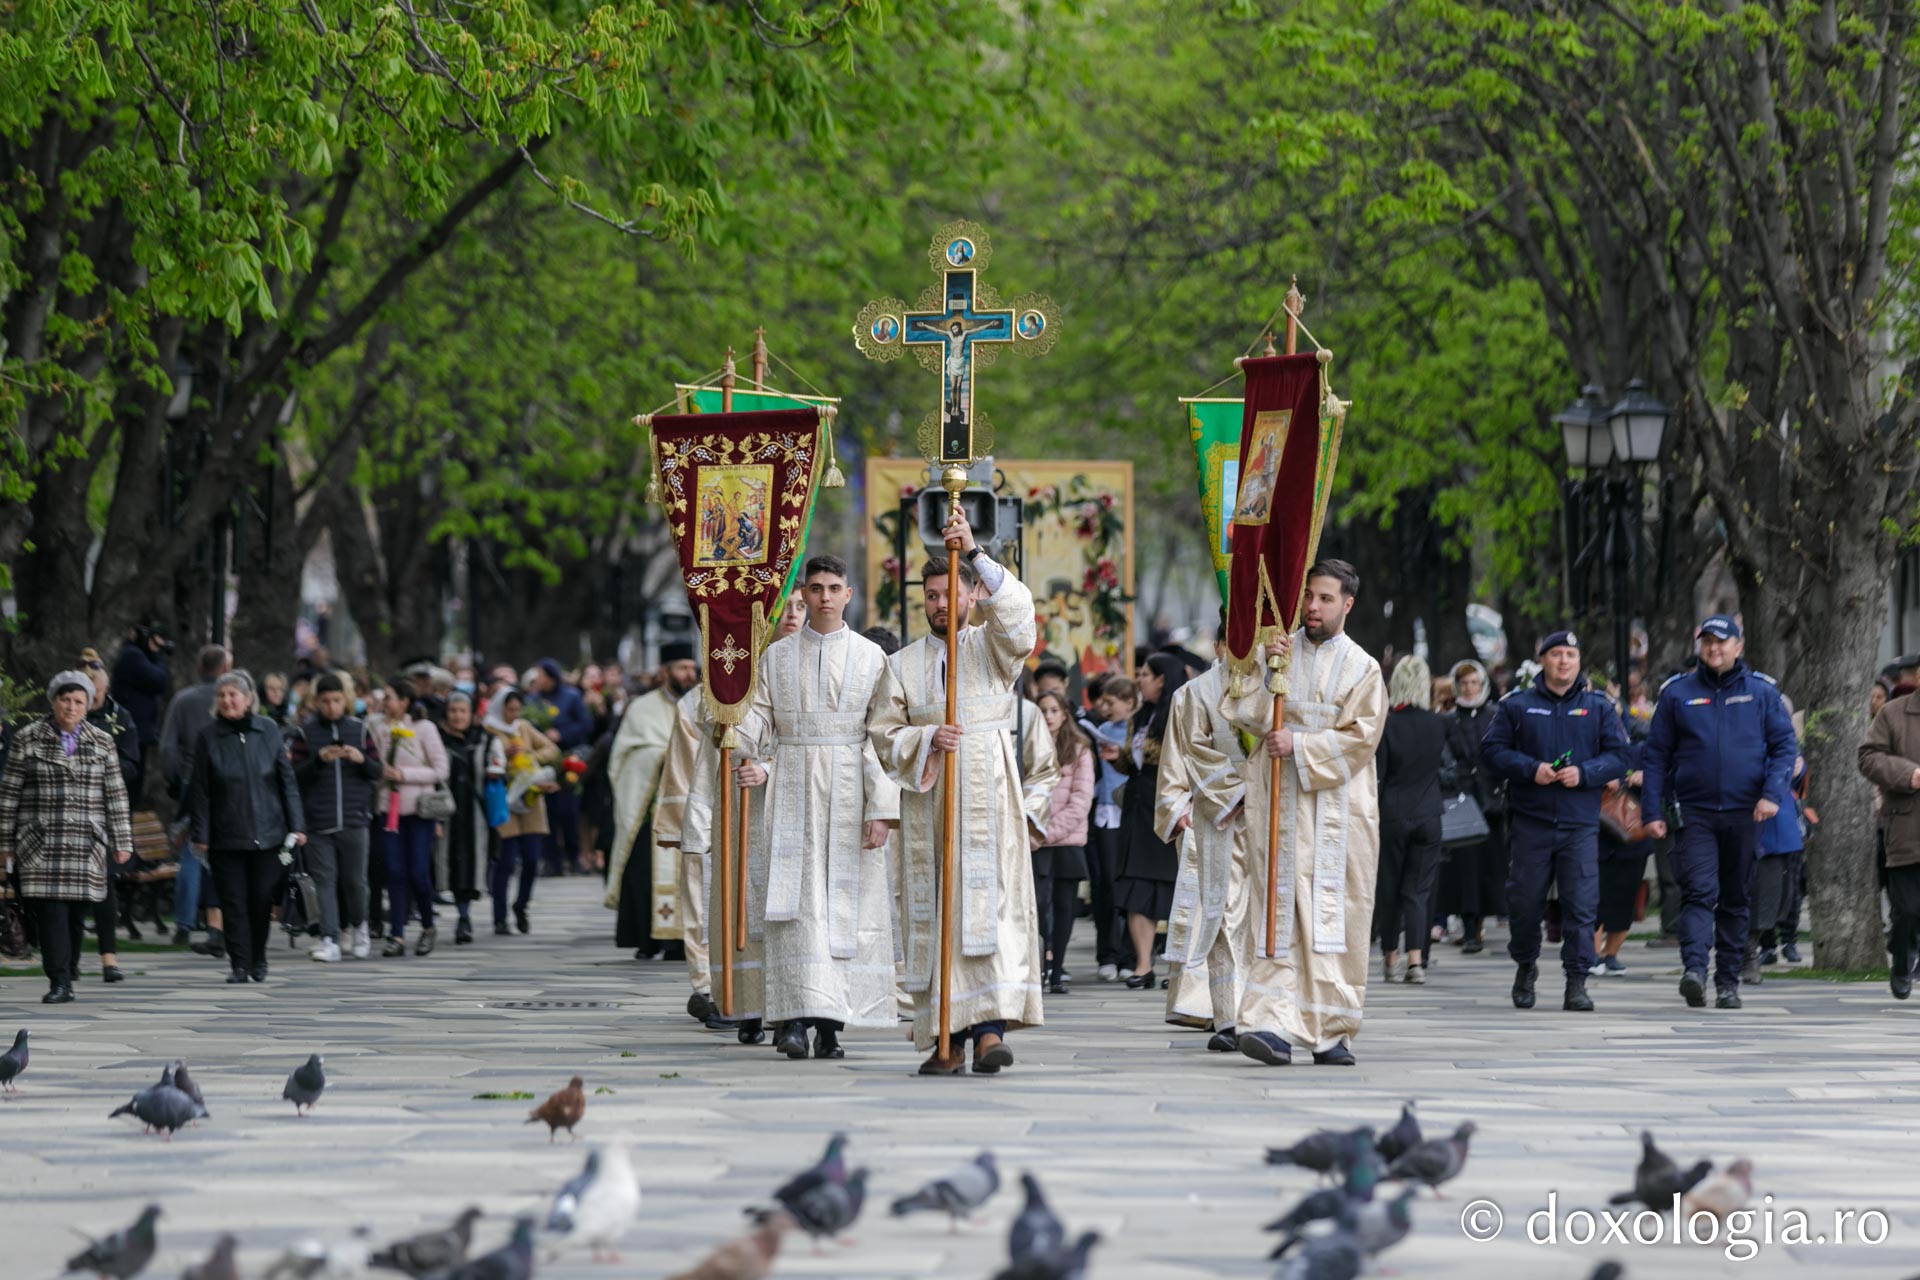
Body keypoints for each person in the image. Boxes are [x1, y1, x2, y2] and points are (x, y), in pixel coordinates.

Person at [870, 502, 1044, 1076]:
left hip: (987, 795)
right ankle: (945, 1038)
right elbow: (883, 732)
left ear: (972, 596)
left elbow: (1020, 620)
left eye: (951, 593)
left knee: (988, 907)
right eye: (931, 596)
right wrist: (924, 739)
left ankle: (990, 1032)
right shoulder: (901, 664)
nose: (941, 604)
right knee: (937, 911)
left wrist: (972, 551)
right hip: (930, 803)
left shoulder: (993, 650)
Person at [731, 555, 901, 1060]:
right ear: (803, 594)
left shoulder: (873, 657)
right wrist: (731, 717)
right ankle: (792, 1021)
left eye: (833, 588)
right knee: (797, 905)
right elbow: (758, 722)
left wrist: (881, 808)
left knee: (841, 910)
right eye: (816, 588)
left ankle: (831, 1026)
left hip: (850, 790)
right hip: (791, 788)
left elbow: (882, 736)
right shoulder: (776, 657)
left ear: (849, 594)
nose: (824, 597)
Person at [1221, 560, 1388, 1067]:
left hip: (1338, 810)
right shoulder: (1279, 652)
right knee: (1277, 910)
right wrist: (1263, 673)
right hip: (1280, 803)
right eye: (1309, 596)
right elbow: (1243, 712)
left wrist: (1299, 744)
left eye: (1326, 599)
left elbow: (1363, 737)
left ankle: (1330, 1030)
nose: (1313, 607)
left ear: (1347, 604)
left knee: (1333, 915)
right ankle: (1269, 1024)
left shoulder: (1363, 668)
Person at [1640, 615, 1796, 1010]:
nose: (1713, 648)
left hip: (1747, 813)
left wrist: (1772, 794)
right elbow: (1656, 756)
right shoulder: (1677, 694)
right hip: (1695, 811)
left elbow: (1784, 747)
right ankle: (1694, 970)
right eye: (1707, 641)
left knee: (1735, 897)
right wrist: (1651, 810)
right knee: (1699, 891)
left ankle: (1728, 982)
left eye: (1721, 641)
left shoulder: (1762, 692)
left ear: (1738, 646)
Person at [1480, 631, 1629, 1013]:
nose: (1563, 661)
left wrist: (1586, 773)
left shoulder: (1598, 707)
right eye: (1556, 654)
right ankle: (1525, 966)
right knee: (1524, 903)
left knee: (1581, 906)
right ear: (1542, 659)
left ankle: (1576, 982)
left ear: (1579, 662)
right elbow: (1492, 751)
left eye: (1570, 655)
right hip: (1531, 822)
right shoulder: (1518, 705)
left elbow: (1619, 757)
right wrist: (1531, 769)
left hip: (1579, 824)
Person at [0, 671, 134, 1002]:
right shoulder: (27, 738)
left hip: (86, 843)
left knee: (76, 914)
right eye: (65, 700)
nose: (71, 707)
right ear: (53, 702)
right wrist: (5, 846)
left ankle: (69, 969)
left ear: (87, 706)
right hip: (41, 843)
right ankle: (58, 981)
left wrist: (122, 842)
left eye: (78, 702)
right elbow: (9, 796)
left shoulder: (102, 742)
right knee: (51, 913)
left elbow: (115, 794)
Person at [1154, 631, 1252, 1052]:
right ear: (1218, 646)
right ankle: (1227, 1015)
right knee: (1221, 915)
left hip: (1268, 818)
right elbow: (1179, 759)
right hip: (1216, 817)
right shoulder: (1193, 694)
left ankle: (1264, 1011)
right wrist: (1178, 808)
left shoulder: (1276, 687)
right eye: (1233, 640)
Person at [186, 671, 305, 984]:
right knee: (233, 901)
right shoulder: (208, 736)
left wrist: (297, 825)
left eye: (233, 695)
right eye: (222, 696)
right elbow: (200, 790)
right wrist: (201, 833)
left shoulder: (268, 730)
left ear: (248, 698)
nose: (227, 701)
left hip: (268, 834)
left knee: (261, 899)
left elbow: (287, 781)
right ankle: (239, 964)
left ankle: (258, 957)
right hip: (225, 835)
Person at [606, 643, 701, 962]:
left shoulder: (702, 705)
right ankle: (647, 939)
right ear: (664, 671)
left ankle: (680, 942)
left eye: (691, 668)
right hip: (650, 811)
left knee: (690, 875)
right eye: (682, 668)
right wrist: (661, 757)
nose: (689, 674)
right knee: (643, 875)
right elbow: (623, 757)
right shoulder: (642, 708)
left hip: (689, 808)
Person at [287, 673, 383, 961]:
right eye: (325, 701)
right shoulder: (305, 733)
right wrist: (318, 760)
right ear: (317, 702)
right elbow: (293, 776)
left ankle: (360, 927)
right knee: (324, 881)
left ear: (346, 700)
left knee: (355, 882)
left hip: (355, 818)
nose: (331, 707)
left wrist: (361, 759)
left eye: (336, 700)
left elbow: (378, 771)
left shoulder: (360, 730)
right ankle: (328, 938)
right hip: (319, 820)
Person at [1112, 653, 1190, 989]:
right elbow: (1135, 761)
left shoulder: (1182, 711)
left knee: (1174, 887)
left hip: (1169, 805)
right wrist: (1118, 758)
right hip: (1138, 803)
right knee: (1136, 886)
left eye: (1145, 674)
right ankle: (1143, 965)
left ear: (1162, 679)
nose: (1139, 679)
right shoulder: (1139, 716)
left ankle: (1178, 968)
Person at [1374, 655, 1449, 985]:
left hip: (1392, 814)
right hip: (1429, 814)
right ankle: (1416, 959)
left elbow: (1380, 773)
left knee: (1390, 887)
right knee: (1418, 890)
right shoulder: (1438, 724)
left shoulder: (1387, 724)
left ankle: (1391, 956)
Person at [160, 644, 232, 954]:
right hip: (227, 783)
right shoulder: (233, 698)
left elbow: (167, 747)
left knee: (192, 853)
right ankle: (221, 921)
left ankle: (184, 922)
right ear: (225, 668)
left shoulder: (184, 700)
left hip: (192, 782)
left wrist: (175, 780)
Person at [373, 680, 450, 957]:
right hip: (389, 810)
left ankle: (428, 926)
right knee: (395, 871)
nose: (385, 703)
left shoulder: (424, 728)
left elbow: (441, 769)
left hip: (419, 811)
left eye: (390, 697)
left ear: (405, 701)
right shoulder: (377, 727)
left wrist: (404, 775)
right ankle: (397, 934)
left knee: (418, 871)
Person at [484, 689, 560, 936]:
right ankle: (499, 917)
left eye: (517, 709)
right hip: (505, 799)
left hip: (530, 799)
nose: (513, 714)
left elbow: (551, 749)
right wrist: (504, 758)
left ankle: (521, 904)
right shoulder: (489, 729)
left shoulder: (524, 727)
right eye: (509, 710)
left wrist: (529, 756)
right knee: (505, 861)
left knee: (531, 859)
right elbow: (485, 760)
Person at [1032, 689, 1093, 996]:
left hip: (1065, 841)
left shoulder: (1080, 749)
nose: (1048, 716)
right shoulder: (1029, 746)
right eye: (1043, 710)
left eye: (1054, 710)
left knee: (1065, 906)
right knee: (1038, 904)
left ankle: (1058, 969)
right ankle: (1041, 961)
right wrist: (1036, 830)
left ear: (1065, 714)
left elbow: (1081, 800)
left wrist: (1047, 831)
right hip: (1037, 841)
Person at [1441, 660, 1504, 954]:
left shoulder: (1495, 716)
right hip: (1462, 800)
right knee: (1465, 865)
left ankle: (1483, 920)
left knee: (1491, 864)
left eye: (1474, 683)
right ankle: (1469, 926)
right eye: (1464, 683)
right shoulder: (1449, 720)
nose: (1469, 688)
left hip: (1492, 801)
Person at [1859, 692, 1920, 998]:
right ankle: (1902, 961)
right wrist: (1909, 774)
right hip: (1907, 829)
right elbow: (1868, 758)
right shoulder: (1893, 712)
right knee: (1907, 910)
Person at [83, 653, 141, 966]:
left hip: (105, 810)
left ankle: (109, 957)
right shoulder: (66, 719)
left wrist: (103, 769)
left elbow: (132, 765)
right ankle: (70, 960)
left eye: (97, 693)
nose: (91, 700)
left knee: (105, 884)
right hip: (73, 813)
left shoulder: (121, 718)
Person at [1088, 676, 1137, 982]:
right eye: (1103, 702)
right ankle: (1107, 953)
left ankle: (1130, 955)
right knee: (1106, 883)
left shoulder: (1139, 731)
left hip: (1131, 811)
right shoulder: (1102, 730)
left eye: (1111, 702)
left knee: (1130, 885)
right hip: (1106, 810)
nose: (1105, 708)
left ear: (1129, 703)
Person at [529, 658, 594, 876]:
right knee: (547, 811)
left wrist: (562, 734)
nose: (538, 680)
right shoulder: (533, 701)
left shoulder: (571, 697)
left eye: (540, 675)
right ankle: (551, 860)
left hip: (568, 761)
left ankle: (573, 856)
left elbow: (586, 725)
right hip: (544, 761)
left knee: (568, 810)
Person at [440, 691, 491, 944]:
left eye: (463, 711)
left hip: (475, 813)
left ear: (471, 714)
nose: (458, 716)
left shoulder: (483, 740)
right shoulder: (439, 740)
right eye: (453, 711)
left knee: (470, 863)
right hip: (446, 812)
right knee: (449, 862)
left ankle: (465, 916)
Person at [112, 622, 171, 804]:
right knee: (130, 784)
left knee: (134, 783)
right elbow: (159, 681)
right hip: (132, 731)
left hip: (135, 730)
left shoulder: (138, 655)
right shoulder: (133, 655)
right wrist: (158, 655)